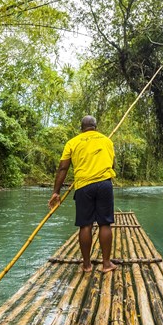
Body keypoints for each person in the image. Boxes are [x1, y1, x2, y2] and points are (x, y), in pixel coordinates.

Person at [48, 115, 117, 273]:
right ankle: (106, 264)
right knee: (105, 223)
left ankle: (86, 265)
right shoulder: (107, 141)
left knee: (85, 225)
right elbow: (112, 164)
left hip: (83, 187)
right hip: (104, 184)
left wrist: (56, 192)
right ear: (95, 126)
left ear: (81, 128)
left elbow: (63, 168)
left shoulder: (72, 142)